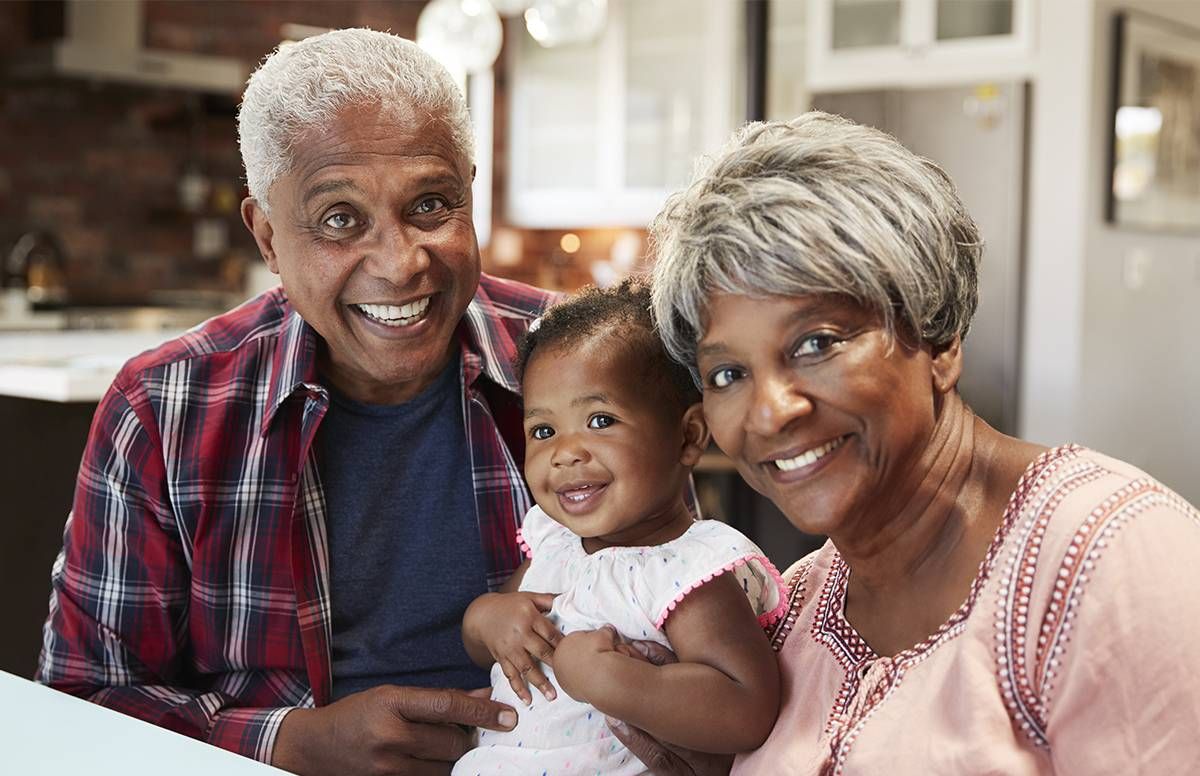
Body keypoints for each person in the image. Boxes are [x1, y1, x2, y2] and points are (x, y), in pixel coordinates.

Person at [37, 29, 557, 774]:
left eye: (432, 205)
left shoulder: (576, 356)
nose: (402, 262)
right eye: (341, 219)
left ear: (471, 191)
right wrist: (291, 742)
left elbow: (675, 613)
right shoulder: (162, 409)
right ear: (269, 238)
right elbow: (78, 700)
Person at [630, 111, 1200, 774]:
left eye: (816, 343)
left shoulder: (1110, 558)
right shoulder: (795, 612)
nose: (770, 413)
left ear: (939, 339)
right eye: (728, 373)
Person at [452, 280, 785, 775]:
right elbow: (486, 639)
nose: (565, 453)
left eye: (601, 420)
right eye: (543, 431)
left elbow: (748, 708)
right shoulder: (555, 546)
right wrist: (487, 619)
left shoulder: (687, 573)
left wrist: (612, 679)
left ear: (688, 436)